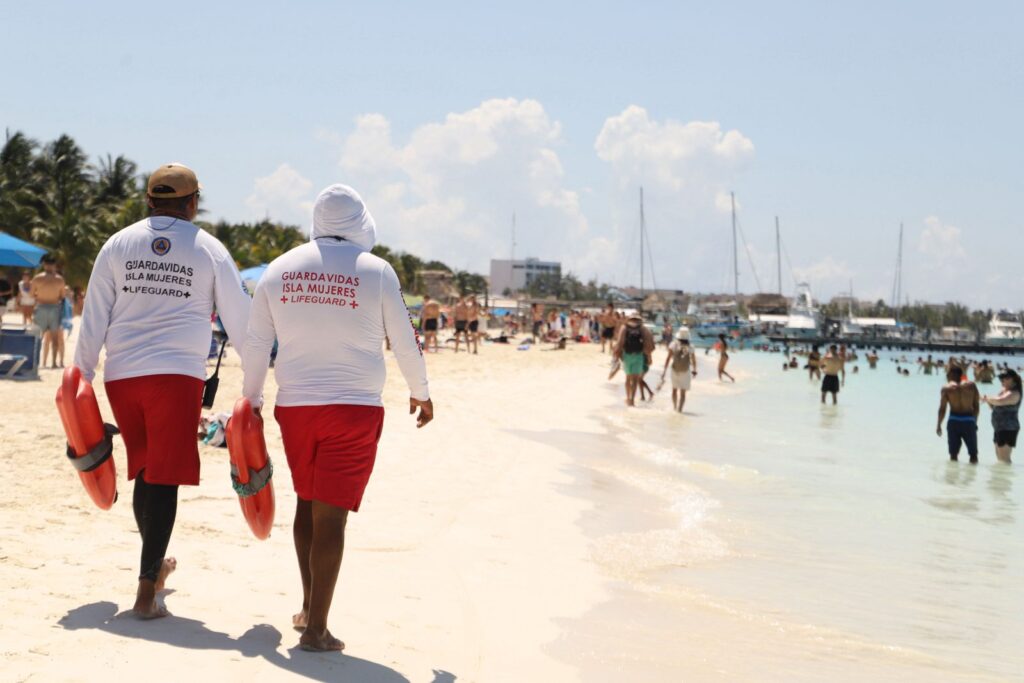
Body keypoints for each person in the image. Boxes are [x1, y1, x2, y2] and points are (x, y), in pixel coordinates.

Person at [241, 184, 432, 652]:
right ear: (361, 221)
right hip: (353, 409)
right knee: (331, 517)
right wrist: (421, 391)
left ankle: (310, 609)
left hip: (295, 408)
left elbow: (255, 342)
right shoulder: (377, 271)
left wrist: (251, 401)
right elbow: (405, 339)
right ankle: (317, 631)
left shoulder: (279, 269)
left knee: (307, 502)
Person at [75, 163, 251, 618]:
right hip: (175, 377)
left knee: (145, 469)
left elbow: (94, 315)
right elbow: (241, 321)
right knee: (164, 476)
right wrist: (254, 389)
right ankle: (145, 592)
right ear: (193, 203)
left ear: (150, 201)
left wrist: (80, 379)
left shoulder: (117, 243)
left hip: (123, 377)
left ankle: (153, 572)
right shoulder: (208, 248)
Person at [936, 366, 981, 464]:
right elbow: (976, 406)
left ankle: (952, 473)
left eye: (948, 373)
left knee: (953, 454)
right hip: (969, 421)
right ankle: (973, 472)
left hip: (954, 421)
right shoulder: (971, 386)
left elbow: (942, 409)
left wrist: (939, 425)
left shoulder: (946, 388)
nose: (947, 375)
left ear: (952, 374)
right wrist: (974, 422)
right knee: (973, 455)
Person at [31, 255, 67, 368]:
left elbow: (32, 294)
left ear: (44, 265)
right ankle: (54, 363)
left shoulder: (37, 278)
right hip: (54, 308)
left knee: (38, 337)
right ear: (54, 265)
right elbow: (62, 296)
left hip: (41, 307)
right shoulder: (60, 279)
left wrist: (40, 296)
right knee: (55, 337)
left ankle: (35, 362)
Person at [613, 313, 655, 406]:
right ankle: (632, 400)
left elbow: (620, 343)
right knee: (635, 379)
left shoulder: (624, 328)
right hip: (638, 356)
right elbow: (649, 344)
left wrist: (617, 355)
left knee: (628, 378)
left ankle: (628, 398)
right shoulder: (642, 328)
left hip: (627, 356)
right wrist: (649, 357)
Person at [982, 369, 1021, 464]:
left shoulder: (1015, 393)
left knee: (1005, 460)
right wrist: (987, 401)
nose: (1002, 380)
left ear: (1013, 379)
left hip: (1008, 428)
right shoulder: (1004, 391)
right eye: (1001, 378)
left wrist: (987, 398)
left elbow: (1000, 401)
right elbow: (994, 406)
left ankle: (1007, 474)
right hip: (999, 427)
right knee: (1000, 460)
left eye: (1005, 378)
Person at [662, 327, 697, 413]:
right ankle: (680, 410)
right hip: (685, 371)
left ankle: (674, 407)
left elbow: (668, 358)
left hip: (675, 370)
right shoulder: (690, 346)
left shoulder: (673, 344)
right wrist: (694, 370)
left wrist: (664, 371)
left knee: (674, 389)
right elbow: (693, 360)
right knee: (683, 392)